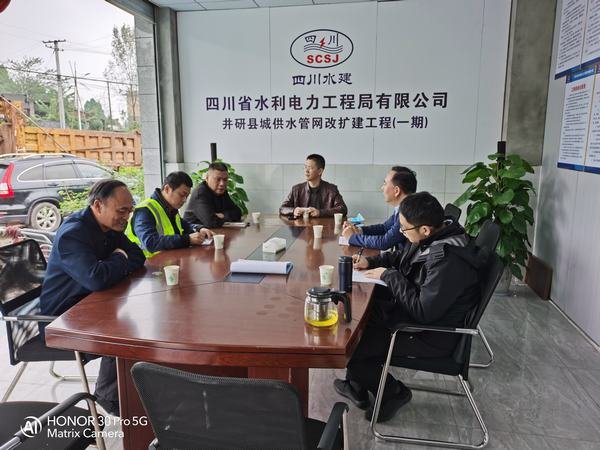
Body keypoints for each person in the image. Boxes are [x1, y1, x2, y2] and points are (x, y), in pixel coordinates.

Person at [333, 192, 488, 423]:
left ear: (424, 229)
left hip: (431, 335)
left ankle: (394, 393)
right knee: (357, 321)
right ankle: (357, 385)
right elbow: (403, 257)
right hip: (413, 317)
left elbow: (423, 312)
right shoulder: (434, 236)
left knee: (353, 349)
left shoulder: (449, 260)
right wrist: (372, 262)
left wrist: (390, 275)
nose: (401, 232)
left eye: (404, 229)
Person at [39, 180, 146, 416]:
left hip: (92, 303)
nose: (126, 217)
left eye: (129, 211)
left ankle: (134, 387)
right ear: (98, 205)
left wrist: (114, 263)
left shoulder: (111, 227)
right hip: (61, 319)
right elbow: (96, 278)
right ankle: (111, 398)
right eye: (122, 210)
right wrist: (119, 258)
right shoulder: (73, 234)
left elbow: (139, 256)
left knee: (141, 318)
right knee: (123, 331)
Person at [125, 171, 213, 257]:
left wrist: (199, 229)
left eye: (186, 196)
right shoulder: (145, 210)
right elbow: (150, 242)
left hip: (169, 260)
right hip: (147, 263)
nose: (184, 200)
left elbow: (185, 226)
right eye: (182, 195)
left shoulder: (171, 209)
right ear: (167, 189)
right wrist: (187, 239)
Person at [341, 166, 416, 250]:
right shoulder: (402, 208)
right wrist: (359, 230)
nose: (382, 188)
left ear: (396, 191)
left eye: (385, 183)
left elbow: (384, 242)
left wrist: (352, 237)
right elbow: (384, 228)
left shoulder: (408, 213)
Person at [279, 154, 347, 218]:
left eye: (310, 168)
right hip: (301, 226)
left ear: (320, 171)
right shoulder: (296, 189)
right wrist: (294, 210)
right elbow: (282, 208)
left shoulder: (331, 190)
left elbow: (343, 209)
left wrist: (320, 212)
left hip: (324, 225)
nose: (306, 171)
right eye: (305, 167)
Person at [183, 162, 242, 228]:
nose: (222, 184)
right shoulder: (200, 194)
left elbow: (238, 212)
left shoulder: (222, 191)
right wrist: (226, 216)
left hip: (215, 231)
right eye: (218, 179)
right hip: (194, 232)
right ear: (207, 178)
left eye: (225, 180)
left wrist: (223, 215)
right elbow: (211, 222)